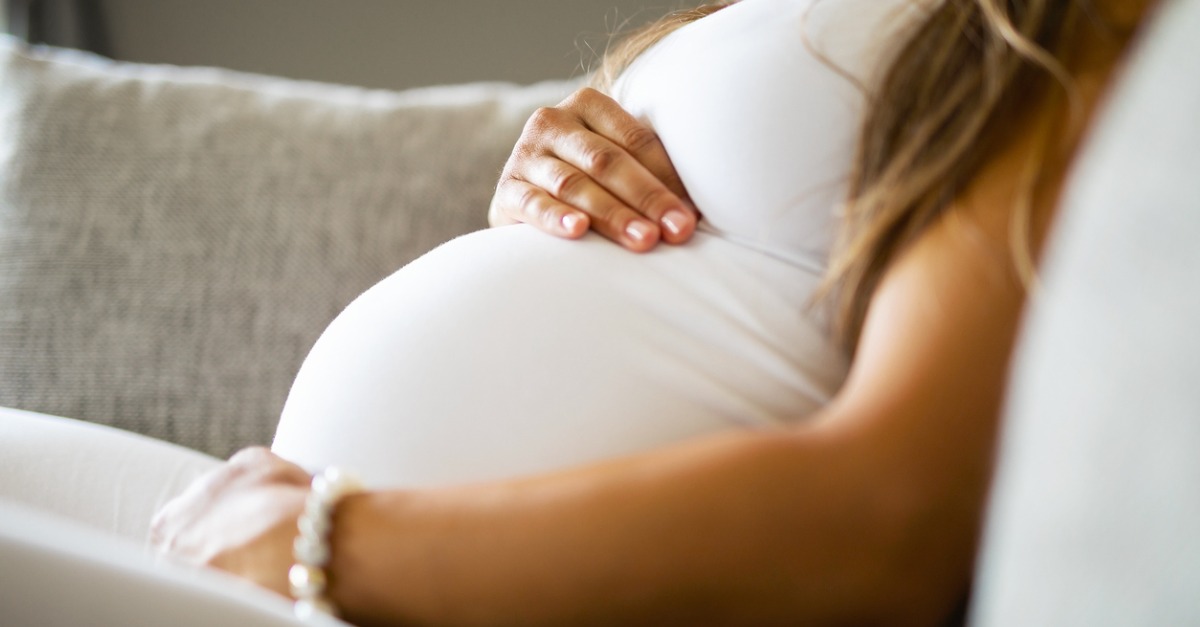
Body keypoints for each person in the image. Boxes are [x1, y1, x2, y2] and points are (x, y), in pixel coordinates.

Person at [149, 0, 1161, 625]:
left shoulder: (1071, 25)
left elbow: (890, 519)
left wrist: (325, 543)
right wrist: (547, 199)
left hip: (364, 572)